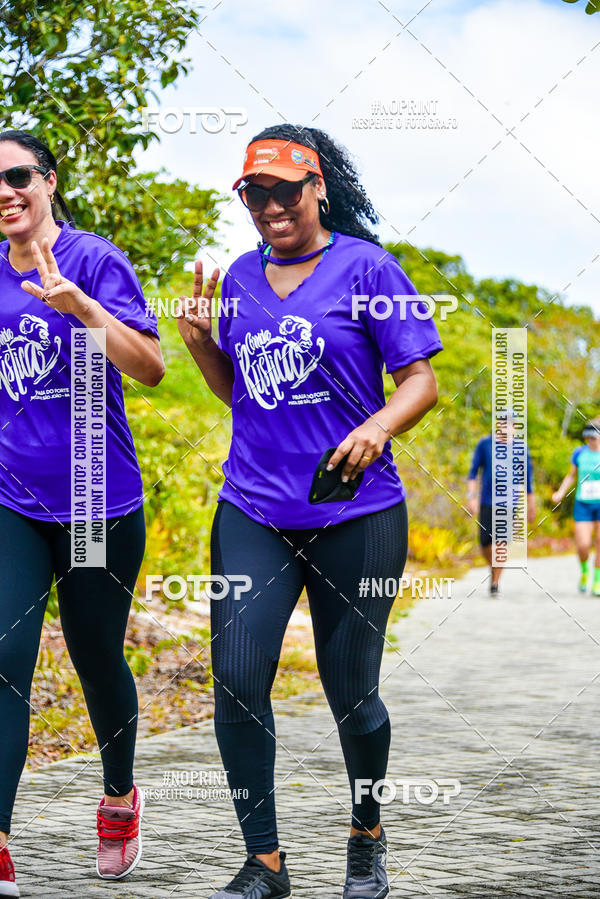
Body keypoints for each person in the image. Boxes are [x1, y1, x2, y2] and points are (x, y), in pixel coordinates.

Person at [178, 125, 443, 899]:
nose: (269, 207)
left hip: (357, 512)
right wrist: (200, 343)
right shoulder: (238, 277)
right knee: (234, 675)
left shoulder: (367, 268)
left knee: (351, 689)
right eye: (254, 194)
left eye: (284, 191)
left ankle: (367, 833)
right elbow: (243, 393)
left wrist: (377, 426)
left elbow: (419, 381)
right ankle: (265, 861)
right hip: (253, 506)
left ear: (317, 187)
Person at [0, 130, 164, 896]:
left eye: (17, 175)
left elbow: (152, 368)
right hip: (12, 502)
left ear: (48, 180)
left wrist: (82, 306)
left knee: (96, 656)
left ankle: (120, 792)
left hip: (99, 498)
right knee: (5, 661)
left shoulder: (95, 260)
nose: (5, 191)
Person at [467, 413, 536, 595]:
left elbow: (527, 480)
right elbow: (473, 473)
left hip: (509, 503)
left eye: (510, 423)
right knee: (484, 544)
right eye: (502, 421)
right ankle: (494, 568)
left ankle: (495, 583)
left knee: (501, 543)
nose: (506, 425)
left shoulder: (521, 447)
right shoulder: (485, 444)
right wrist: (471, 497)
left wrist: (531, 505)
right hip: (487, 501)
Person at [552, 419, 600, 595]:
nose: (590, 441)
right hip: (583, 504)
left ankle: (597, 580)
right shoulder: (579, 453)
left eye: (593, 438)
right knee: (583, 545)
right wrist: (560, 492)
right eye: (587, 438)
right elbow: (571, 476)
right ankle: (585, 570)